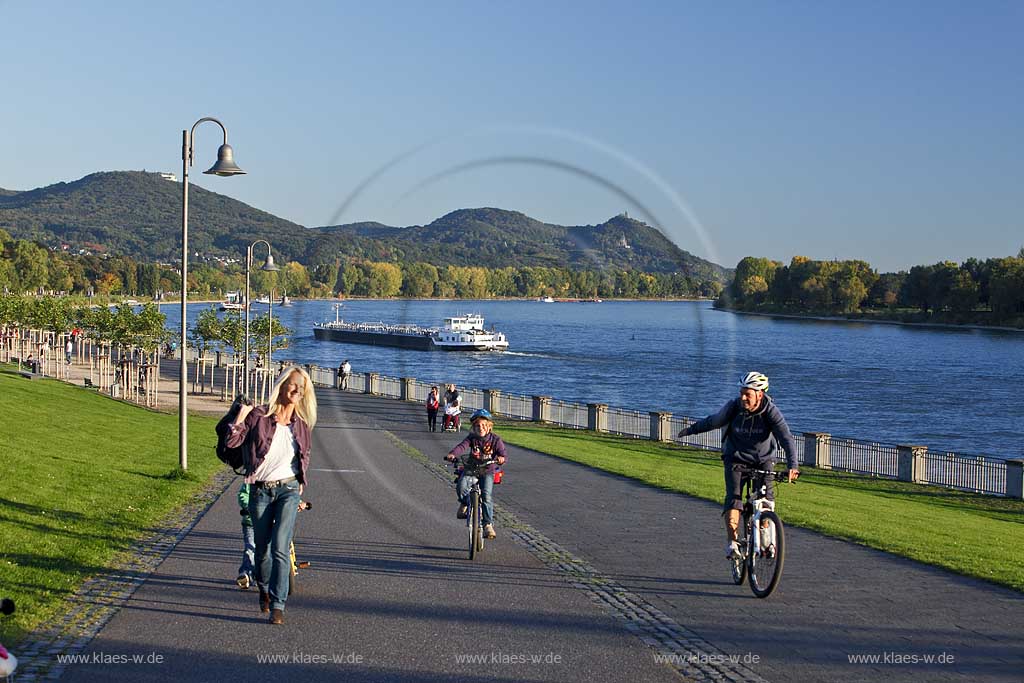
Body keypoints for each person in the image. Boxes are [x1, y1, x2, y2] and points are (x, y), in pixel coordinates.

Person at [227, 366, 317, 625]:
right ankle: (264, 589)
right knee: (263, 550)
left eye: (302, 387)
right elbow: (233, 443)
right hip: (261, 490)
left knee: (280, 546)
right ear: (282, 385)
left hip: (287, 489)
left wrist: (301, 481)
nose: (297, 390)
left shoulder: (301, 425)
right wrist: (240, 418)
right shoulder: (259, 416)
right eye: (293, 384)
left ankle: (279, 604)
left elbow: (305, 454)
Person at [676, 371, 799, 561]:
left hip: (763, 460)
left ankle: (766, 543)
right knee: (734, 498)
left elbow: (786, 438)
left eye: (747, 394)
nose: (743, 397)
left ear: (760, 394)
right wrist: (691, 430)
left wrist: (793, 465)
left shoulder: (770, 411)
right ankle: (732, 543)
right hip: (735, 458)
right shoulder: (734, 407)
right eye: (742, 392)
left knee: (766, 502)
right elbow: (714, 421)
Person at [445, 409, 507, 540]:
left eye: (484, 425)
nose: (481, 428)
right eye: (478, 426)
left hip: (487, 470)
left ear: (489, 426)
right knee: (461, 486)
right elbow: (461, 447)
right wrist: (452, 454)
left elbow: (502, 453)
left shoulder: (495, 440)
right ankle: (465, 502)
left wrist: (501, 458)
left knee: (486, 496)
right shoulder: (471, 438)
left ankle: (488, 525)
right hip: (471, 469)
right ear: (474, 427)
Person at [236, 483, 256, 590]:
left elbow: (287, 494)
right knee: (250, 548)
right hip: (251, 523)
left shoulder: (276, 478)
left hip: (270, 523)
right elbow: (243, 495)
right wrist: (248, 506)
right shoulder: (250, 482)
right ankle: (245, 573)